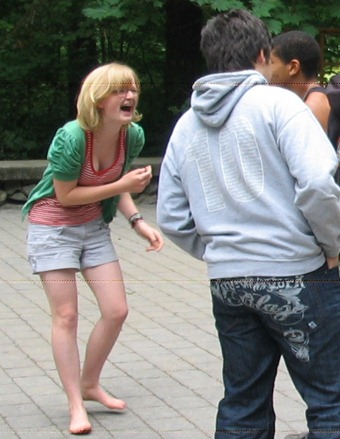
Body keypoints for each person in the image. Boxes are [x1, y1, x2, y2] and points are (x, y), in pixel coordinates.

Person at [156, 9, 340, 439]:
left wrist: (222, 252)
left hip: (228, 283)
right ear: (261, 52)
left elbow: (169, 215)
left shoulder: (186, 124)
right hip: (298, 277)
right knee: (331, 399)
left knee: (242, 402)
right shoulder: (279, 104)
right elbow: (317, 182)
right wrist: (333, 245)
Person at [22, 62, 163, 435]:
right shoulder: (71, 137)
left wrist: (139, 223)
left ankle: (90, 383)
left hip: (92, 227)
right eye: (120, 89)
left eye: (133, 88)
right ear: (99, 99)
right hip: (53, 227)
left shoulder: (131, 136)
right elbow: (66, 195)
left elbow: (118, 184)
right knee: (66, 317)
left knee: (116, 310)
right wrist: (123, 188)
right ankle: (74, 405)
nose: (129, 95)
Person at [270, 30, 331, 132]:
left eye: (271, 62)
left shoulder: (311, 107)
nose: (267, 69)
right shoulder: (315, 98)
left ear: (293, 67)